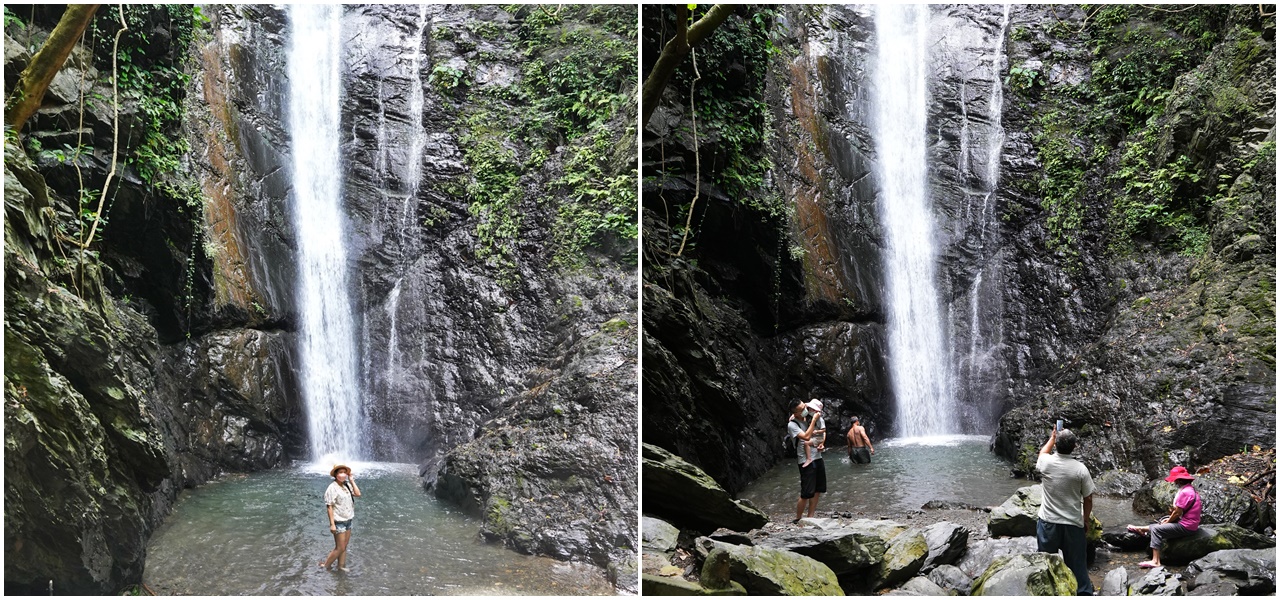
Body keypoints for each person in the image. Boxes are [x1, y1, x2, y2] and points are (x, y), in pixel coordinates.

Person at [1036, 427, 1095, 596]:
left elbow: (1042, 453)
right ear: (1074, 447)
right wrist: (1086, 519)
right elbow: (1089, 499)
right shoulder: (1080, 469)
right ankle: (1083, 594)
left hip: (1048, 522)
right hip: (1072, 524)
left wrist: (1052, 438)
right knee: (1078, 565)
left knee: (1046, 563)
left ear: (1056, 446)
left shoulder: (1046, 463)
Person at [1126, 466, 1201, 568]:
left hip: (1187, 526)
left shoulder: (1185, 493)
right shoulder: (1190, 489)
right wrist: (1169, 519)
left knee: (1157, 529)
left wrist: (1168, 521)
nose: (1173, 482)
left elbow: (1177, 513)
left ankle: (1155, 561)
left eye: (1175, 480)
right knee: (1163, 521)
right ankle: (1142, 529)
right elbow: (1180, 512)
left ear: (1179, 480)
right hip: (1190, 523)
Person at [787, 400, 825, 525]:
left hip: (817, 457)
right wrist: (813, 421)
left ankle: (810, 517)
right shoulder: (792, 425)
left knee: (817, 489)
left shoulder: (809, 414)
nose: (805, 409)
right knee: (806, 492)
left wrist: (821, 444)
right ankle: (798, 518)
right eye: (802, 409)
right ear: (795, 413)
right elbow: (806, 437)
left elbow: (822, 431)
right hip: (805, 460)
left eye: (805, 406)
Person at [320, 464, 362, 572]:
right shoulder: (332, 488)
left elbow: (358, 494)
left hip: (348, 519)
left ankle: (341, 566)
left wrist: (352, 480)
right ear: (335, 474)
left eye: (344, 472)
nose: (342, 474)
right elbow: (329, 507)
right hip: (339, 521)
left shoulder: (346, 485)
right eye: (340, 472)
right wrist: (332, 524)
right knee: (340, 547)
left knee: (344, 546)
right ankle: (325, 565)